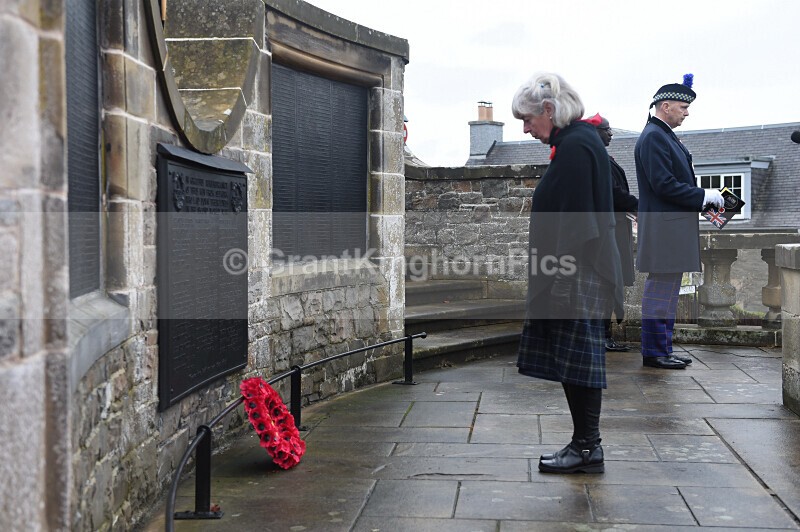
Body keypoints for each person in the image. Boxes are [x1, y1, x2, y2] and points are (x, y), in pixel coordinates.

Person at [512, 73, 623, 474]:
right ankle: (584, 446)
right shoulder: (576, 141)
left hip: (577, 271)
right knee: (576, 362)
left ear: (548, 109)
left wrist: (559, 278)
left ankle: (588, 449)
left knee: (581, 362)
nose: (525, 129)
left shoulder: (576, 145)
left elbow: (578, 224)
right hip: (578, 269)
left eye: (526, 119)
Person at [635, 74, 724, 369]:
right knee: (661, 291)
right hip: (664, 229)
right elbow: (664, 185)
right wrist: (705, 196)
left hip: (670, 228)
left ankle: (662, 348)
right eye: (683, 107)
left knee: (668, 292)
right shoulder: (653, 137)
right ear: (665, 105)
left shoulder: (662, 135)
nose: (687, 113)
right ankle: (654, 352)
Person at [594, 115, 638, 352]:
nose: (610, 133)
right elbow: (614, 193)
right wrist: (637, 205)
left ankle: (604, 334)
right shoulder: (598, 159)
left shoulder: (602, 157)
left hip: (616, 225)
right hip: (607, 230)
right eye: (606, 130)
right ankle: (602, 335)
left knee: (611, 283)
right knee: (606, 283)